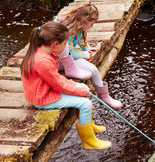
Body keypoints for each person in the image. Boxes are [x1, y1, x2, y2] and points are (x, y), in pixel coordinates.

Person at [20, 21, 111, 150]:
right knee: (86, 104)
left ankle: (89, 125)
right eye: (65, 44)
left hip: (45, 90)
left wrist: (75, 85)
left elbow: (56, 79)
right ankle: (89, 141)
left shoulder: (43, 53)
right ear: (55, 44)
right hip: (42, 98)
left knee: (83, 94)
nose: (66, 47)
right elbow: (58, 84)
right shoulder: (43, 62)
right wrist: (79, 91)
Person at [54, 1, 123, 110]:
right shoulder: (67, 30)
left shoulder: (77, 25)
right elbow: (70, 52)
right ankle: (103, 96)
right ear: (84, 21)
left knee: (93, 70)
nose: (91, 27)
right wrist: (84, 54)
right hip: (57, 61)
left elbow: (80, 37)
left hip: (67, 59)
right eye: (91, 24)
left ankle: (105, 96)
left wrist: (86, 48)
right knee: (92, 69)